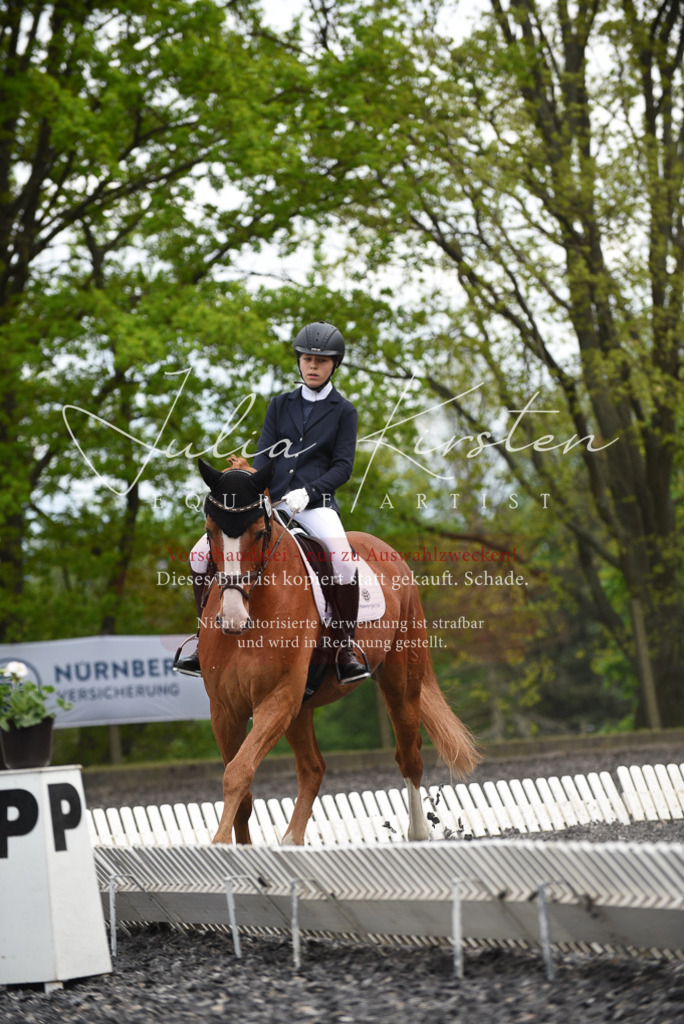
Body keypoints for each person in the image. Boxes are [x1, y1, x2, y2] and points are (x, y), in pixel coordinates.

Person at [173, 320, 369, 684]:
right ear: (299, 361)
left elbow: (343, 466)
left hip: (317, 505)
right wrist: (250, 486)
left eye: (321, 361)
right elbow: (264, 457)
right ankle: (203, 639)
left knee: (342, 560)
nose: (313, 366)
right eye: (307, 359)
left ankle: (344, 648)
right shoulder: (280, 405)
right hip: (272, 503)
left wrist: (308, 492)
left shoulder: (345, 411)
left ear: (334, 366)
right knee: (199, 554)